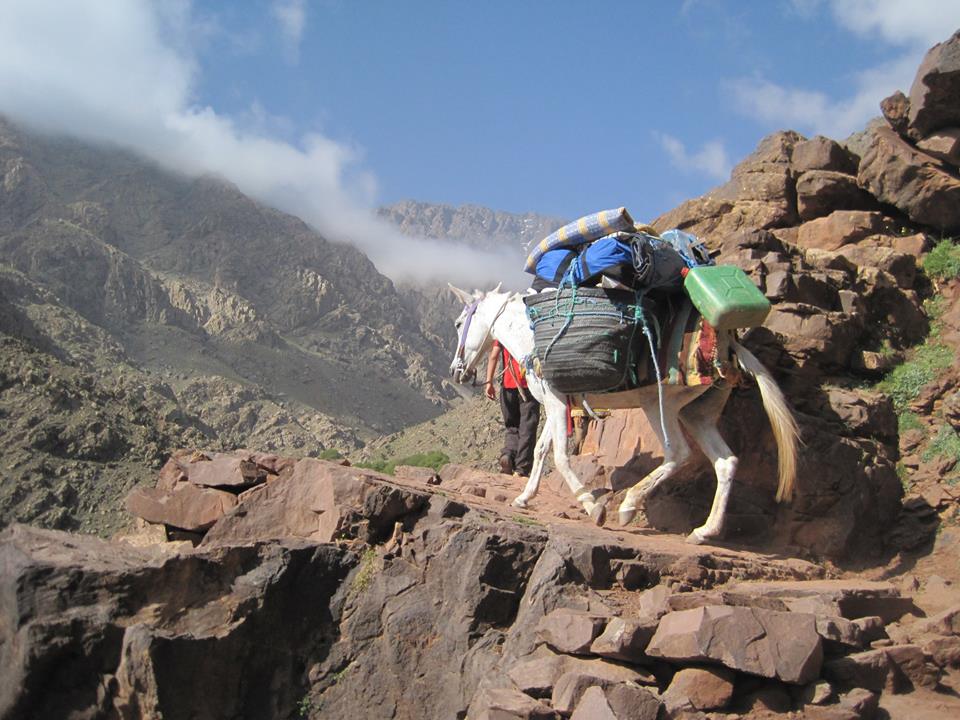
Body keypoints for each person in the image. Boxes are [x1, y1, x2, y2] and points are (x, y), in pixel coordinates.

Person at [484, 340, 540, 476]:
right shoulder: (528, 328)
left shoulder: (503, 329)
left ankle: (508, 455)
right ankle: (522, 469)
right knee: (527, 428)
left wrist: (489, 382)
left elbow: (494, 355)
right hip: (527, 386)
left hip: (508, 387)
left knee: (512, 426)